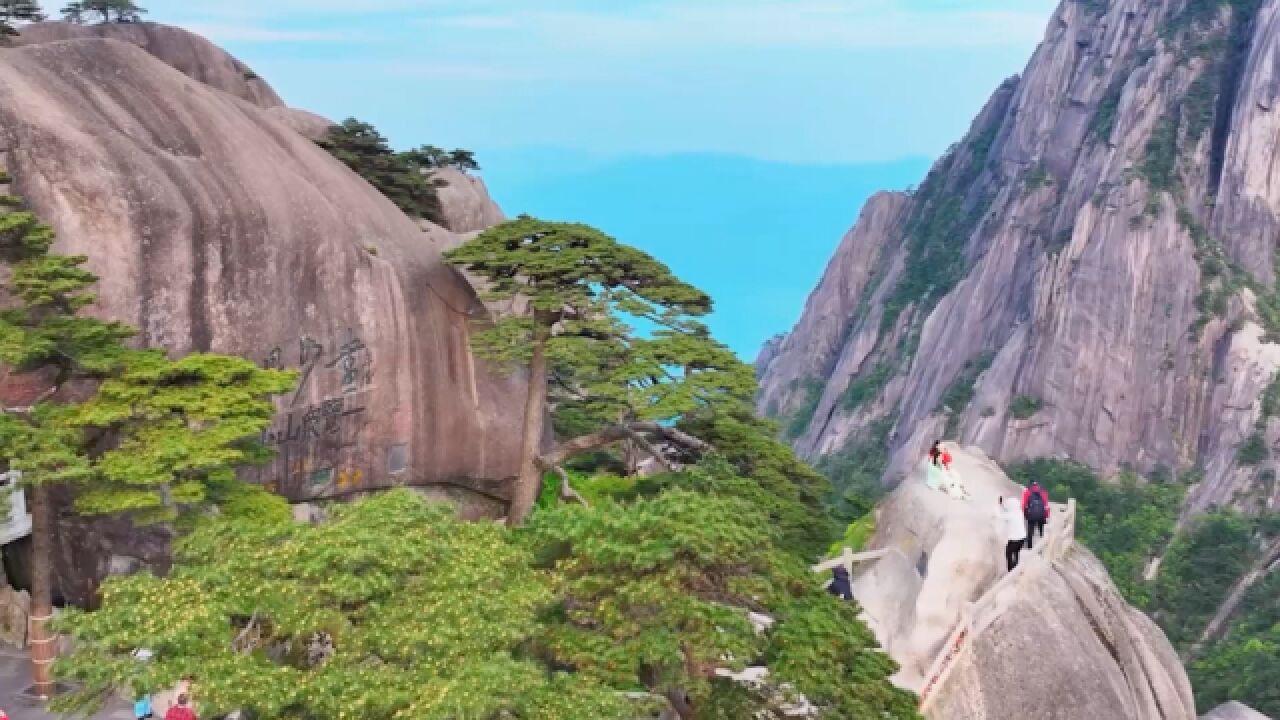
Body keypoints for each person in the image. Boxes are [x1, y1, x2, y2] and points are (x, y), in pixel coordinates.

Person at [1000, 496, 1027, 571]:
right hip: (1022, 538)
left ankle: (1010, 571)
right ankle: (1016, 568)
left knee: (1008, 553)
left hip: (1014, 540)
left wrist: (999, 507)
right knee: (1016, 553)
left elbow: (1000, 515)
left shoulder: (1010, 515)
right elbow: (1007, 510)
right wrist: (1002, 505)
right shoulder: (1019, 512)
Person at [1022, 481, 1051, 549]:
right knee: (1041, 529)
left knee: (1030, 530)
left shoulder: (1027, 492)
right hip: (1041, 515)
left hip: (1031, 515)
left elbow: (1024, 505)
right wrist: (1046, 515)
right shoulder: (1043, 492)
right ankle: (1042, 544)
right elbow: (1046, 506)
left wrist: (1025, 514)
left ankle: (1029, 546)